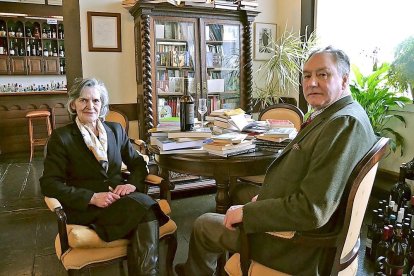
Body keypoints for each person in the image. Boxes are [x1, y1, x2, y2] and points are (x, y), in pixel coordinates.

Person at [175, 46, 378, 275]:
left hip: (302, 246)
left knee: (204, 225)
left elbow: (312, 211)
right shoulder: (339, 113)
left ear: (344, 80)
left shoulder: (343, 125)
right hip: (305, 221)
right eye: (307, 75)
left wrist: (248, 213)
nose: (311, 83)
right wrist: (263, 197)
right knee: (238, 191)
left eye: (323, 74)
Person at [40, 78, 168, 276]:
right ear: (73, 104)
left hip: (119, 200)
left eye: (96, 101)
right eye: (83, 100)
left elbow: (137, 164)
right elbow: (49, 184)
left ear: (102, 105)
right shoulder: (62, 137)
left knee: (144, 209)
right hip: (87, 208)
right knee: (147, 209)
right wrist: (91, 197)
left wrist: (132, 185)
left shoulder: (115, 130)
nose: (90, 106)